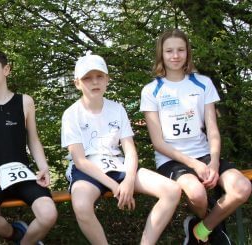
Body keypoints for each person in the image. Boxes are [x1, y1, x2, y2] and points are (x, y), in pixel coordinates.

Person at [140, 29, 252, 245]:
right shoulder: (151, 90)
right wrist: (194, 165)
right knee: (197, 193)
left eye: (180, 50)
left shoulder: (203, 83)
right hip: (172, 160)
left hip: (205, 154)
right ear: (161, 54)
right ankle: (214, 231)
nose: (175, 55)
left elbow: (212, 129)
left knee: (242, 188)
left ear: (188, 52)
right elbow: (158, 142)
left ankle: (201, 229)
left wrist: (214, 161)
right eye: (169, 50)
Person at [61, 53, 181, 245]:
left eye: (99, 76)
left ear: (107, 79)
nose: (94, 82)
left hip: (119, 166)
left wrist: (129, 181)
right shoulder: (71, 114)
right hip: (87, 172)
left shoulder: (117, 109)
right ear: (77, 83)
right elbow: (80, 161)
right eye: (87, 78)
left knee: (172, 190)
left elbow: (130, 150)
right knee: (81, 205)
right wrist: (115, 186)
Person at [0, 48, 58, 244]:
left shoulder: (25, 101)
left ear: (6, 69)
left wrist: (43, 167)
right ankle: (16, 234)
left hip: (23, 172)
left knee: (48, 214)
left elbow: (33, 139)